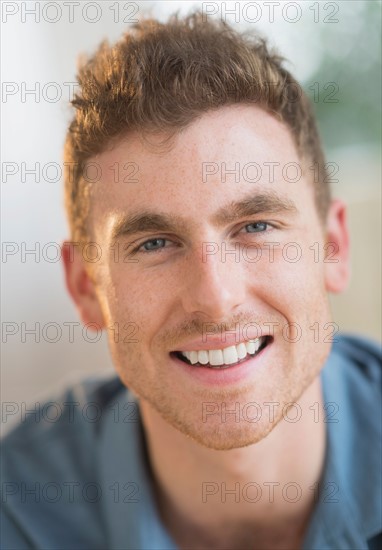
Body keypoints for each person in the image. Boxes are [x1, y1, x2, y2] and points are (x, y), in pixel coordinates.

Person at [1, 11, 381, 550]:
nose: (216, 299)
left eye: (256, 227)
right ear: (87, 287)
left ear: (333, 247)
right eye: (153, 243)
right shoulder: (19, 508)